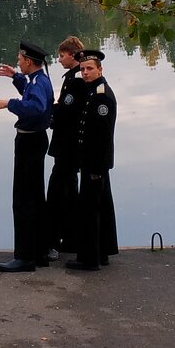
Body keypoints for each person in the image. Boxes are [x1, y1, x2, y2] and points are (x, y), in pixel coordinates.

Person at [0, 40, 54, 272]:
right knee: (36, 197)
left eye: (19, 59)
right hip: (36, 141)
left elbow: (34, 107)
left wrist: (10, 103)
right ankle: (40, 252)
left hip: (29, 142)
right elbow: (31, 93)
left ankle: (24, 257)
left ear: (28, 61)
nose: (18, 61)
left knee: (23, 199)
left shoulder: (37, 83)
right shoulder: (40, 79)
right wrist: (15, 77)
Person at [66, 49, 119, 271]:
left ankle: (89, 259)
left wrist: (96, 168)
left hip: (95, 163)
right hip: (92, 161)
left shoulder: (101, 96)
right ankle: (102, 252)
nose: (85, 72)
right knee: (101, 206)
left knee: (89, 209)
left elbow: (103, 136)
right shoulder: (91, 92)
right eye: (83, 69)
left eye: (90, 69)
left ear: (100, 69)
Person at [46, 36, 85, 260]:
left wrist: (50, 112)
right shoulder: (75, 76)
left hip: (67, 147)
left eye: (61, 56)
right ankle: (72, 238)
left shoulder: (76, 79)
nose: (59, 60)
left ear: (72, 55)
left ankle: (52, 240)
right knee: (71, 191)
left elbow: (67, 112)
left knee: (58, 191)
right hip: (71, 147)